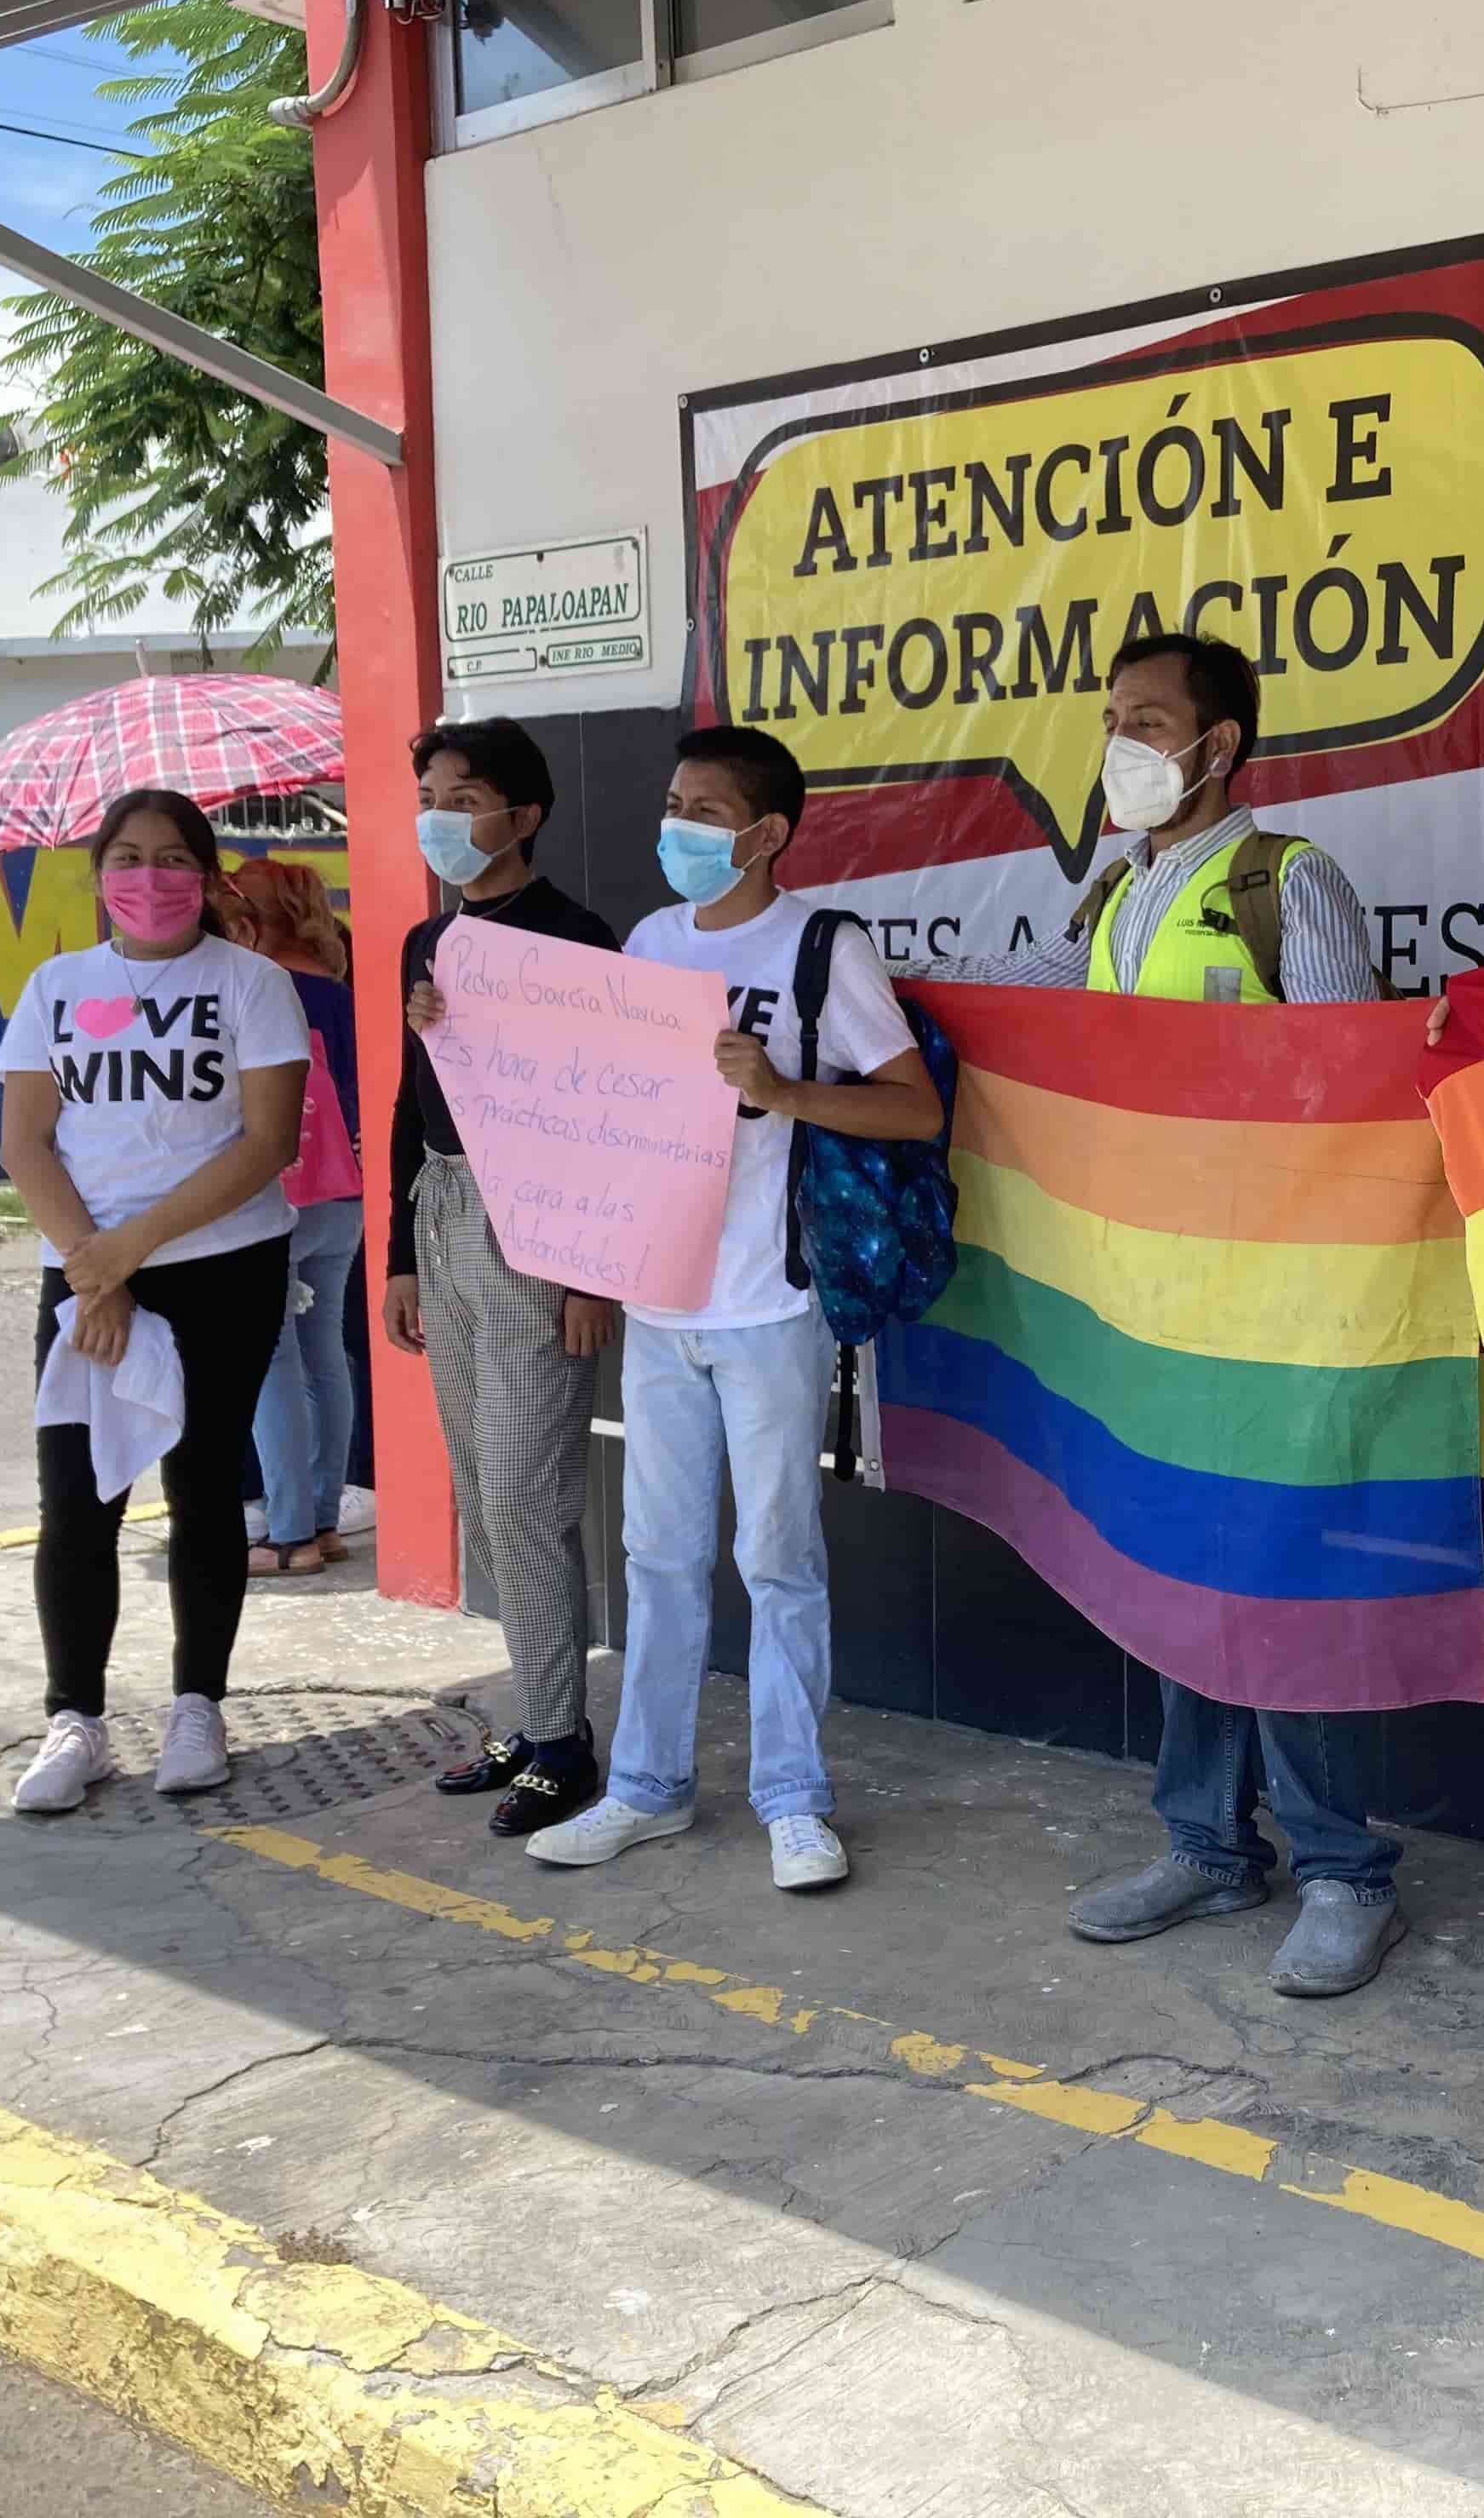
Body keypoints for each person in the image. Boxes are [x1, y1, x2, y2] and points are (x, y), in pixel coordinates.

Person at [918, 631, 1409, 1997]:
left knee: (1277, 1572)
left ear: (1221, 746)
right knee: (1176, 1560)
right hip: (1148, 1299)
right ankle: (1204, 1843)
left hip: (1275, 1301)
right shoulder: (1112, 898)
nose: (1121, 742)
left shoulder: (1286, 886)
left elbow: (1344, 1097)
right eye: (1112, 717)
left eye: (1148, 719)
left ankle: (1340, 1869)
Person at [488, 726, 943, 1892]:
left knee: (778, 1555)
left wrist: (782, 1090)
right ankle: (647, 1789)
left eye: (705, 809)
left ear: (768, 833)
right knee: (659, 1555)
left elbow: (914, 1111)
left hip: (770, 1303)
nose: (678, 826)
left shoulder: (821, 949)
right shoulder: (649, 942)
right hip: (662, 1300)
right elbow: (589, 1102)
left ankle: (794, 1799)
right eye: (674, 803)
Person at [0, 788, 308, 1811]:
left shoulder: (253, 984)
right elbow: (25, 1142)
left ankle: (197, 1707)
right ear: (98, 878)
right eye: (127, 858)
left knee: (206, 1488)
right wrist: (95, 1263)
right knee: (77, 1498)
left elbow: (267, 1145)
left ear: (208, 877)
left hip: (222, 1265)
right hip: (85, 1266)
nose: (150, 878)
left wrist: (129, 1251)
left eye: (174, 859)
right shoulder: (55, 985)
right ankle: (73, 1720)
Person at [385, 720, 626, 1837]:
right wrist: (397, 1255)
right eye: (430, 794)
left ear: (523, 817)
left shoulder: (578, 940)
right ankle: (533, 1718)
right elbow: (405, 1100)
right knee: (482, 1485)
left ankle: (566, 1742)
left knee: (528, 1495)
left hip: (536, 1228)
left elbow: (605, 1116)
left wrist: (590, 1274)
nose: (442, 817)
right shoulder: (424, 944)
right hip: (443, 1213)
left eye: (465, 796)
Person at [225, 857, 364, 1578]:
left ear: (254, 915)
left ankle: (287, 1534)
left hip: (274, 1193)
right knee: (324, 1355)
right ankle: (323, 1518)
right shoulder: (341, 986)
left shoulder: (257, 984)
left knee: (270, 1359)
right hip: (346, 1192)